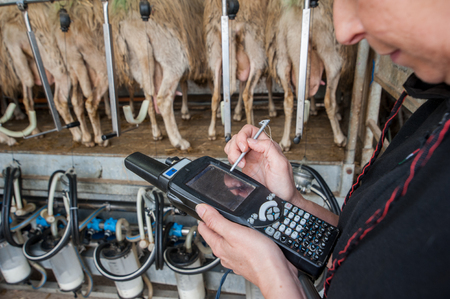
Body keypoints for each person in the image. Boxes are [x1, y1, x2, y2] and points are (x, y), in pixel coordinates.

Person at [195, 0, 450, 298]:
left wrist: (271, 273)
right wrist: (292, 202)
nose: (343, 33)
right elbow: (361, 244)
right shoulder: (436, 108)